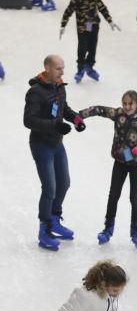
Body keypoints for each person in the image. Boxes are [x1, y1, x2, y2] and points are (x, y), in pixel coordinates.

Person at [23, 54, 86, 251]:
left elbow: (63, 109)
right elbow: (28, 121)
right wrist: (55, 126)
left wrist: (75, 119)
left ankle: (54, 219)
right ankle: (44, 229)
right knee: (49, 187)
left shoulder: (60, 87)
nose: (62, 72)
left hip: (57, 143)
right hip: (41, 145)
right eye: (58, 69)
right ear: (48, 69)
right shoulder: (35, 92)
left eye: (63, 68)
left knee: (64, 183)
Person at [78, 90, 137, 247]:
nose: (126, 106)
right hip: (120, 161)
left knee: (134, 197)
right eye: (124, 103)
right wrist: (80, 115)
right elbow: (99, 110)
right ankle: (108, 228)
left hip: (136, 165)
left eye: (130, 104)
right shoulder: (118, 114)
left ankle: (135, 230)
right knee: (114, 195)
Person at [59, 0, 121, 83]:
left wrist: (110, 21)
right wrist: (63, 25)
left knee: (92, 48)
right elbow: (67, 12)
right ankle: (80, 69)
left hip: (93, 26)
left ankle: (89, 66)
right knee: (83, 48)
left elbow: (102, 8)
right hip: (82, 28)